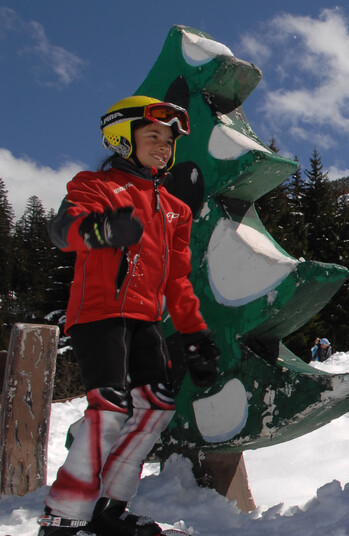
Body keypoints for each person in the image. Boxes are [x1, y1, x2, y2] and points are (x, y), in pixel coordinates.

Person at [40, 96, 220, 536]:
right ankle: (63, 516)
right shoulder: (97, 185)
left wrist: (194, 336)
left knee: (156, 405)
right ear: (123, 139)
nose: (164, 146)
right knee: (110, 406)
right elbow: (62, 229)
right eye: (153, 135)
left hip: (145, 321)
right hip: (100, 313)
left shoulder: (175, 209)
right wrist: (99, 229)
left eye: (169, 140)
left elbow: (178, 278)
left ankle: (109, 509)